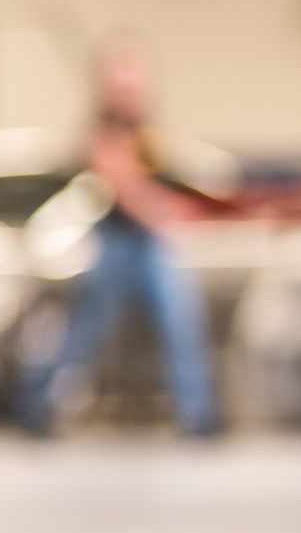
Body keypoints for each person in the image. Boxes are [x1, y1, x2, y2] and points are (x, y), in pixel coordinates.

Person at [16, 37, 223, 438]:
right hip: (118, 242)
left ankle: (197, 414)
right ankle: (36, 403)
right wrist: (165, 213)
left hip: (149, 243)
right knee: (85, 332)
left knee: (180, 327)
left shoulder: (145, 125)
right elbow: (124, 185)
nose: (131, 88)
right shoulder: (107, 126)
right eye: (123, 79)